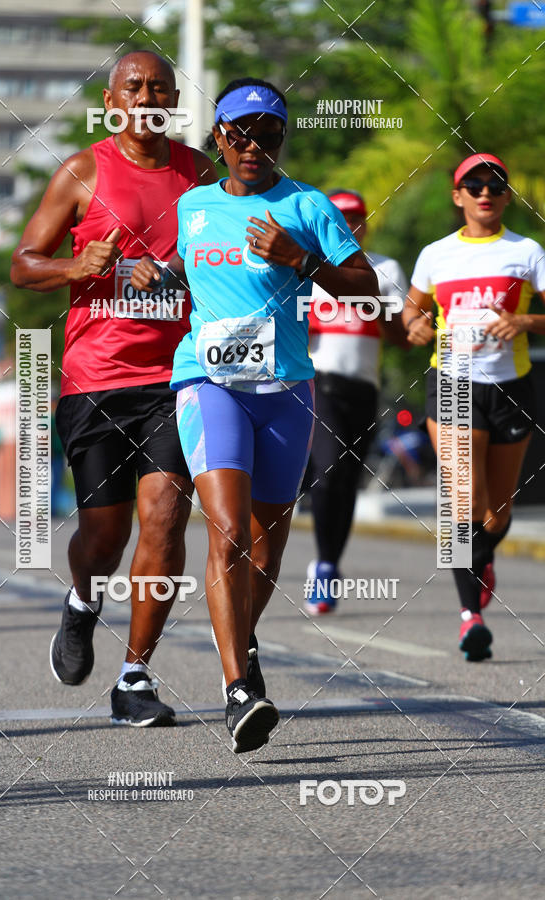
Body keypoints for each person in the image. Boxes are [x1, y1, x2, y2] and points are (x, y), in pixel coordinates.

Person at [136, 78, 377, 751]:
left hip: (285, 393)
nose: (254, 145)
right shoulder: (194, 206)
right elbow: (183, 266)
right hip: (207, 383)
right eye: (240, 133)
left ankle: (243, 637)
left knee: (267, 546)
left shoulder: (306, 205)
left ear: (282, 140)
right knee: (228, 533)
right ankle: (239, 686)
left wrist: (302, 259)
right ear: (219, 136)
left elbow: (367, 288)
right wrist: (159, 275)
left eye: (269, 134)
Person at [10, 51, 216, 724]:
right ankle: (81, 601)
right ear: (113, 99)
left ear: (174, 98)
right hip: (94, 378)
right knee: (105, 534)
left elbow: (229, 257)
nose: (147, 95)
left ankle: (134, 677)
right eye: (135, 86)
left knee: (165, 515)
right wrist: (76, 264)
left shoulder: (200, 173)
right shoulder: (83, 170)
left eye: (160, 86)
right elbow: (23, 265)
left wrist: (189, 271)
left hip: (177, 374)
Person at [403, 153, 545, 660]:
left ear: (507, 195)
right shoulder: (436, 254)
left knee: (497, 511)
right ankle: (470, 619)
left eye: (495, 184)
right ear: (457, 195)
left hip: (511, 387)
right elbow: (412, 314)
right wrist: (416, 326)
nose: (485, 192)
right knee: (463, 503)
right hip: (454, 384)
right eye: (475, 184)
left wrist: (525, 323)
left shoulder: (527, 251)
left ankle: (479, 559)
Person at [305, 189, 409, 614]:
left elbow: (401, 338)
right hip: (317, 384)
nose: (349, 225)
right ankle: (320, 563)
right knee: (328, 474)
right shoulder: (308, 267)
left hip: (363, 390)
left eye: (356, 218)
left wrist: (373, 303)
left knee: (346, 480)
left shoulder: (384, 269)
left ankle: (328, 563)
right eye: (340, 218)